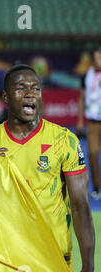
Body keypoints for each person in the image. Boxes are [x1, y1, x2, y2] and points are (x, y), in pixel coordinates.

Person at [0, 64, 95, 272]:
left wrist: (88, 265)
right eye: (21, 88)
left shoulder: (64, 141)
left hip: (53, 261)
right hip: (4, 262)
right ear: (5, 97)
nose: (30, 94)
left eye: (36, 88)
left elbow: (80, 206)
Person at [76, 47, 101, 200]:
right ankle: (97, 187)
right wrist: (80, 120)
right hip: (93, 122)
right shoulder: (87, 75)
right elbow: (81, 98)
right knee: (92, 153)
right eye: (97, 57)